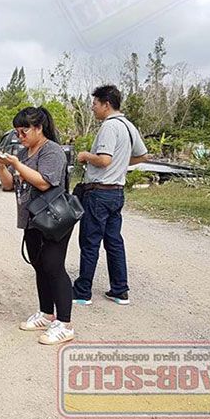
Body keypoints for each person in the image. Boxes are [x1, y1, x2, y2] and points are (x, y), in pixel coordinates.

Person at [0, 107, 75, 345]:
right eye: (17, 132)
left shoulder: (52, 151)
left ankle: (65, 324)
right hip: (31, 219)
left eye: (24, 131)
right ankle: (46, 313)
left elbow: (44, 182)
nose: (20, 136)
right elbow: (8, 184)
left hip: (53, 219)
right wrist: (1, 167)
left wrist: (17, 164)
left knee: (53, 266)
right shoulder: (24, 152)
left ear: (39, 128)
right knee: (39, 266)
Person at [72, 85, 148, 306]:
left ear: (106, 104)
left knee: (90, 242)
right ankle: (120, 290)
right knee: (114, 242)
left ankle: (82, 292)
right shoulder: (129, 126)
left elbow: (104, 160)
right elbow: (143, 155)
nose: (92, 108)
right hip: (117, 193)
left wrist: (86, 156)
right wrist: (121, 164)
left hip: (99, 193)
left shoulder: (109, 126)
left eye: (95, 104)